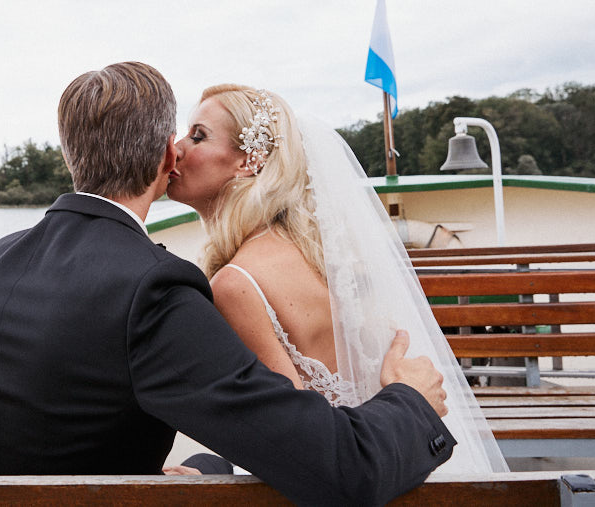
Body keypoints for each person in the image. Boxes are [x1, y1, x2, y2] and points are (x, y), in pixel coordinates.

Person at [0, 62, 456, 505]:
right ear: (165, 157)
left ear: (71, 153)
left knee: (209, 465)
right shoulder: (152, 288)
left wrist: (185, 470)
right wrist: (411, 401)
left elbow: (56, 428)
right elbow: (341, 469)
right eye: (182, 138)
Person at [167, 84, 507, 474]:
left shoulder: (236, 283)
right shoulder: (316, 252)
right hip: (392, 459)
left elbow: (297, 450)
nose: (177, 148)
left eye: (198, 136)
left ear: (250, 161)